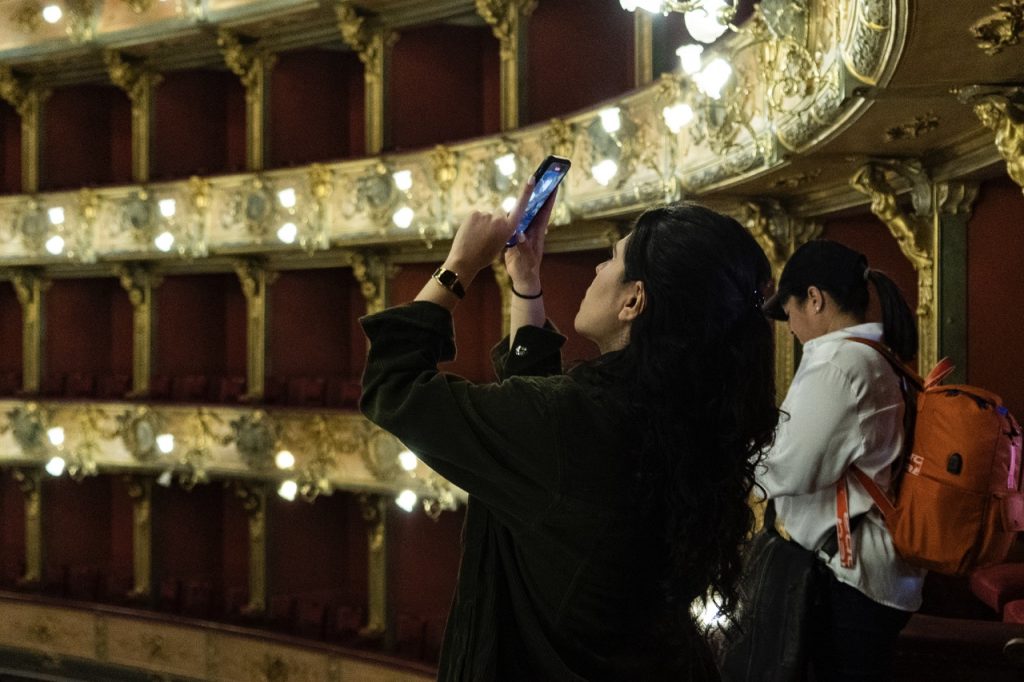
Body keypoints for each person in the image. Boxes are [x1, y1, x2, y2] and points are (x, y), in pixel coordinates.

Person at [359, 178, 779, 680]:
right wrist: (525, 278)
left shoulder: (568, 422)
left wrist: (460, 267)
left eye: (613, 260)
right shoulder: (683, 416)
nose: (598, 268)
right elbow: (548, 448)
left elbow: (393, 383)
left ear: (633, 302)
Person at [758, 240, 926, 681]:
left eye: (790, 310)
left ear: (814, 298)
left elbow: (791, 469)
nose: (789, 325)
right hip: (875, 574)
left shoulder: (838, 361)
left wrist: (735, 462)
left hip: (850, 580)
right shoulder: (874, 355)